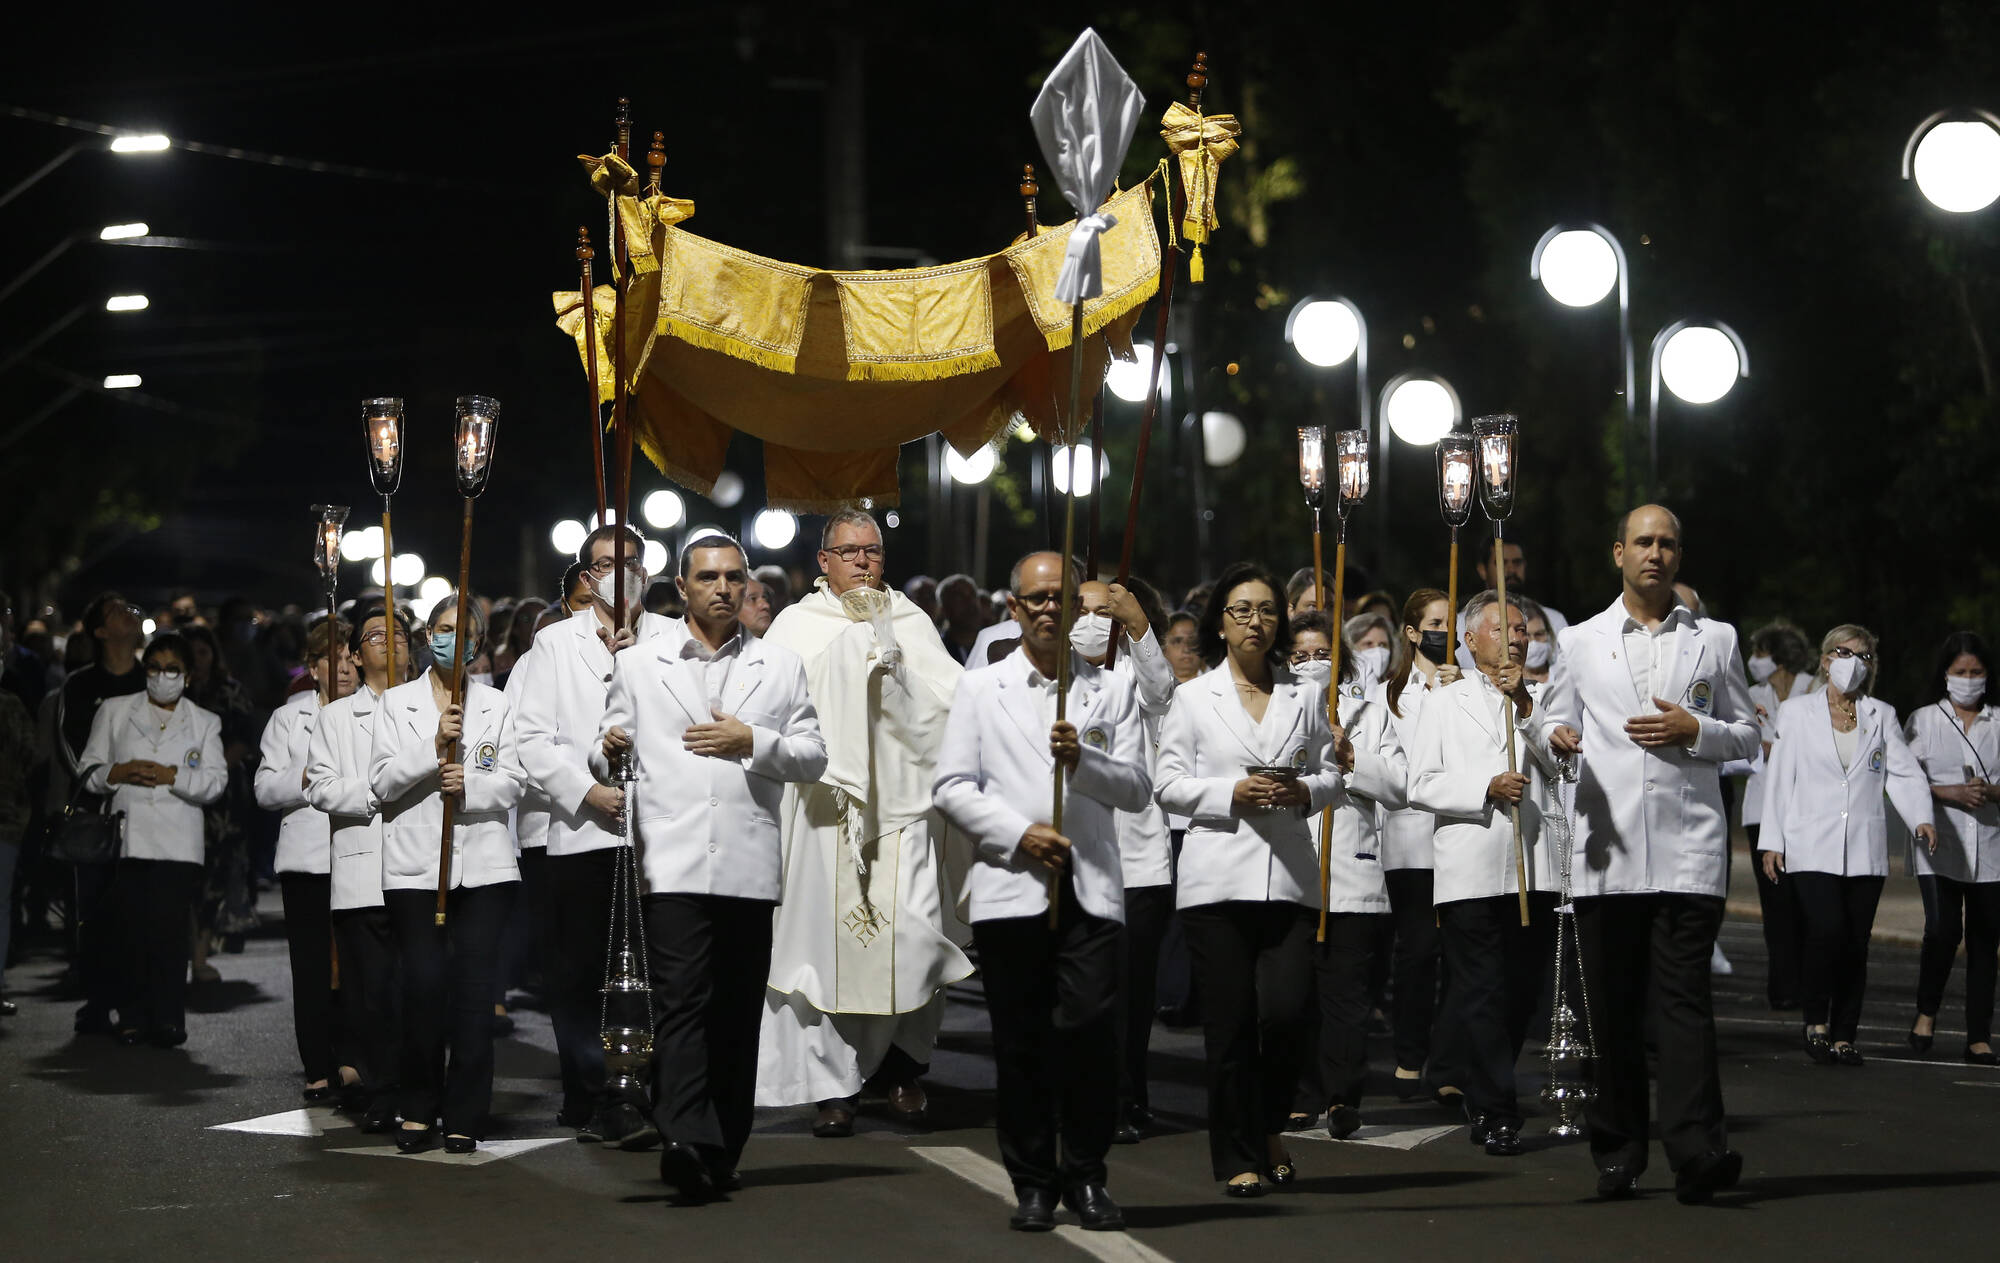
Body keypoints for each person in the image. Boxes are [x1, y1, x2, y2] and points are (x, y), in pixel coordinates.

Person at [1536, 505, 1758, 1204]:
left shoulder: (1714, 639)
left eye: (1667, 543)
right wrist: (1557, 739)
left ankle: (1696, 1150)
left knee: (1685, 1002)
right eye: (1643, 542)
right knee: (1616, 1005)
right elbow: (1546, 719)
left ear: (1679, 555)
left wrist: (1700, 729)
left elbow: (1750, 733)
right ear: (1618, 553)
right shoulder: (1581, 641)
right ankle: (1620, 1147)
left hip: (1690, 848)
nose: (1655, 553)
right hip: (1612, 853)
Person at [595, 531, 826, 1202]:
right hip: (672, 856)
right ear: (682, 586)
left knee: (734, 1009)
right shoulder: (640, 663)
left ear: (747, 583)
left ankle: (721, 1142)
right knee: (683, 998)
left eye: (733, 577)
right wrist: (605, 749)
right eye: (708, 577)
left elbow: (812, 755)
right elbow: (606, 749)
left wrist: (751, 738)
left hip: (751, 858)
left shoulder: (780, 665)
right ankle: (683, 1135)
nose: (722, 588)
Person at [1155, 563, 1392, 1196]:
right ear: (1221, 624)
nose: (1254, 621)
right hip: (1216, 882)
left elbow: (1332, 777)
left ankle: (1267, 1126)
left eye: (1265, 610)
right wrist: (1231, 791)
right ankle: (1237, 1154)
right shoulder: (1192, 697)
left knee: (1287, 1016)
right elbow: (1169, 785)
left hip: (1290, 876)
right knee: (1229, 1027)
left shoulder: (1306, 696)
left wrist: (1300, 790)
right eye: (1241, 610)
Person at [933, 550, 1151, 1232]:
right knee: (1020, 1041)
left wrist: (1083, 762)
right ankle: (1032, 1179)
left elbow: (1139, 787)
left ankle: (1086, 1173)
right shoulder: (982, 687)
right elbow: (950, 787)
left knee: (1088, 1033)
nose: (1050, 608)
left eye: (1063, 598)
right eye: (1037, 599)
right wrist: (1016, 832)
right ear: (1014, 607)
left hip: (1090, 890)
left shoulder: (1109, 689)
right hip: (1011, 889)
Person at [757, 509, 973, 1136]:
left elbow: (951, 701)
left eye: (872, 552)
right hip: (827, 810)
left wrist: (896, 670)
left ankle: (904, 1067)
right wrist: (852, 660)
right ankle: (834, 1088)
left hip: (904, 809)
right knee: (825, 950)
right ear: (823, 561)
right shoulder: (796, 626)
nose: (862, 562)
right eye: (848, 551)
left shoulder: (909, 619)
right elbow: (773, 705)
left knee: (915, 938)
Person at [509, 524, 681, 1146]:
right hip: (582, 831)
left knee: (657, 967)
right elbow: (530, 740)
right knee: (579, 971)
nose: (620, 572)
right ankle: (595, 1088)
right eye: (606, 563)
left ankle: (650, 1090)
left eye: (631, 562)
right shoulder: (554, 644)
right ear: (586, 577)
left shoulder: (672, 637)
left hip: (657, 830)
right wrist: (587, 791)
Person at [1407, 590, 1560, 1156]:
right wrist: (1484, 788)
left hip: (1534, 864)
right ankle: (1498, 1108)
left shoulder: (1542, 699)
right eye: (1503, 629)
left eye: (1523, 630)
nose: (1516, 638)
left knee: (1520, 993)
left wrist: (1526, 706)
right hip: (1470, 867)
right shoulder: (1444, 704)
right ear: (1471, 641)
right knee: (1480, 990)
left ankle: (1483, 1083)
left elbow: (1565, 764)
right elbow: (1419, 785)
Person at [369, 594, 523, 1154]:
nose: (448, 638)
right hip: (415, 869)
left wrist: (472, 787)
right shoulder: (398, 704)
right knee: (424, 987)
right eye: (439, 628)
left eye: (461, 631)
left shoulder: (497, 706)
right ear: (424, 636)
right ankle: (418, 1105)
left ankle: (464, 1113)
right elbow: (381, 783)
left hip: (483, 868)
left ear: (477, 643)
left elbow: (513, 780)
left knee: (474, 995)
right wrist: (431, 750)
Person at [1759, 624, 1935, 1065]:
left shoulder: (1881, 715)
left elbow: (1904, 772)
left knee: (1856, 941)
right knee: (1826, 929)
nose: (1853, 662)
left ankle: (1843, 1034)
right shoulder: (1797, 713)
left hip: (1863, 847)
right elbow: (1780, 778)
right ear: (1824, 659)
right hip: (1809, 843)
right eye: (1844, 652)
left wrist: (1921, 817)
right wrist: (1771, 840)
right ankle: (1815, 1020)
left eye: (1863, 655)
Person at [78, 632, 226, 1046]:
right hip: (128, 837)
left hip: (178, 842)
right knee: (129, 931)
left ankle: (167, 1017)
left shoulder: (204, 721)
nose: (163, 677)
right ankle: (132, 1014)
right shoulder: (115, 711)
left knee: (168, 933)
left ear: (188, 676)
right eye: (155, 668)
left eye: (172, 669)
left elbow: (215, 782)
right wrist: (118, 772)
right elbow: (89, 769)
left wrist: (172, 776)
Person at [1071, 577, 1176, 1143]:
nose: (1093, 621)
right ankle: (1080, 1095)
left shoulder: (1137, 669)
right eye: (1082, 611)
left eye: (1104, 612)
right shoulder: (1047, 673)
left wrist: (1138, 626)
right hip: (1072, 856)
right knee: (1083, 992)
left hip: (1136, 859)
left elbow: (1163, 695)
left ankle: (1127, 1096)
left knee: (1132, 995)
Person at [307, 602, 409, 1130]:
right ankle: (383, 1086)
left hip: (421, 871)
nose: (389, 642)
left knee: (418, 988)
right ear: (353, 653)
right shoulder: (335, 717)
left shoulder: (433, 706)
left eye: (398, 634)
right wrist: (377, 791)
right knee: (371, 995)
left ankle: (419, 1088)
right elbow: (320, 785)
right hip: (362, 872)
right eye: (375, 635)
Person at [253, 617, 354, 1102]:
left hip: (361, 857)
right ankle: (317, 1065)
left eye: (349, 656)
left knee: (358, 965)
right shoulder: (288, 719)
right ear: (313, 668)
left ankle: (355, 1057)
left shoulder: (374, 712)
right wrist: (308, 777)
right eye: (330, 659)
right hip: (307, 861)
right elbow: (265, 788)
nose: (344, 668)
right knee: (312, 968)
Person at [1904, 631, 2000, 1064]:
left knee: (1986, 940)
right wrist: (1951, 794)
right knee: (1943, 931)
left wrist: (1990, 793)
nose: (1968, 679)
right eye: (1960, 672)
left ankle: (1978, 1035)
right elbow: (1904, 780)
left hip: (1991, 848)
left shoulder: (1998, 721)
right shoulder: (1923, 720)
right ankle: (1926, 1011)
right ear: (1945, 675)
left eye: (1976, 672)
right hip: (1938, 843)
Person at [55, 595, 147, 1035]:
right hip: (97, 815)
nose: (129, 614)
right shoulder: (80, 685)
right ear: (99, 632)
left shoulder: (154, 677)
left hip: (150, 813)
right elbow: (72, 748)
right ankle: (97, 998)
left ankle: (135, 1001)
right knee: (92, 910)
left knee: (138, 911)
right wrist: (106, 779)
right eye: (115, 612)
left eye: (130, 608)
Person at [1381, 589, 1460, 1100]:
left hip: (1458, 835)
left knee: (1457, 952)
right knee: (1417, 950)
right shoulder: (1391, 694)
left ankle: (1450, 1062)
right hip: (1411, 840)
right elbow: (1394, 767)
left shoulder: (1467, 686)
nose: (1442, 631)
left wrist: (1460, 692)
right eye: (1434, 622)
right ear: (1412, 632)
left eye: (1450, 623)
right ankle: (1410, 1052)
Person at [179, 622, 262, 976]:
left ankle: (200, 953)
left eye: (203, 652)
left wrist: (212, 770)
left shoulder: (230, 692)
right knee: (184, 876)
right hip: (178, 792)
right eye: (191, 653)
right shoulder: (174, 696)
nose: (198, 661)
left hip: (223, 796)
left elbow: (245, 738)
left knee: (215, 874)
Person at [1742, 619, 1816, 1009]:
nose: (1754, 661)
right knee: (1775, 904)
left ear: (1779, 656)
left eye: (1760, 653)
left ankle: (1811, 984)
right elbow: (1744, 744)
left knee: (1806, 901)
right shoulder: (1751, 693)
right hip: (1760, 810)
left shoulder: (1812, 690)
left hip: (1805, 811)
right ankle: (1783, 987)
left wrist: (1777, 749)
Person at [1457, 540, 1568, 669]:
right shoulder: (1461, 623)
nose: (1511, 570)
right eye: (1502, 563)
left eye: (1517, 562)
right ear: (1482, 570)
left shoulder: (1552, 619)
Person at [937, 573, 984, 665]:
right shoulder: (936, 651)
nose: (970, 602)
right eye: (959, 597)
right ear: (944, 609)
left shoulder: (994, 647)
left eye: (973, 595)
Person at [1342, 611, 1394, 695]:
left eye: (1382, 645)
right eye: (1369, 644)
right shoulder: (1343, 686)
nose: (1378, 651)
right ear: (1350, 646)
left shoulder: (1395, 690)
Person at [1520, 596, 1556, 685]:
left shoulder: (1563, 677)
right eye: (1527, 635)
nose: (1534, 641)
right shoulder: (1509, 686)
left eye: (1539, 634)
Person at [1162, 610, 1203, 684]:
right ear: (1163, 649)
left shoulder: (1219, 683)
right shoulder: (1152, 689)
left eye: (1192, 641)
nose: (1186, 649)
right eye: (1177, 641)